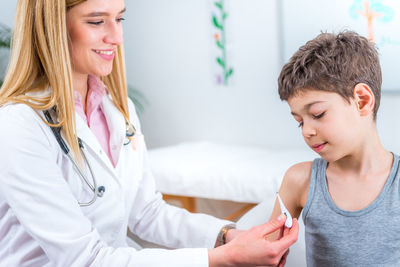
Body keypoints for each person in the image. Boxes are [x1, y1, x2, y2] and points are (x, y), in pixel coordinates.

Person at [0, 0, 298, 266]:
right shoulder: (20, 125)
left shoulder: (119, 109)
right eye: (96, 21)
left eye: (119, 19)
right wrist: (220, 259)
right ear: (51, 27)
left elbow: (147, 212)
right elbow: (85, 259)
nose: (116, 38)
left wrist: (225, 236)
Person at [268, 30, 400, 266]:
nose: (306, 131)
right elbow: (263, 254)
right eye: (299, 121)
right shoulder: (300, 181)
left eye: (317, 114)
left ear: (362, 100)